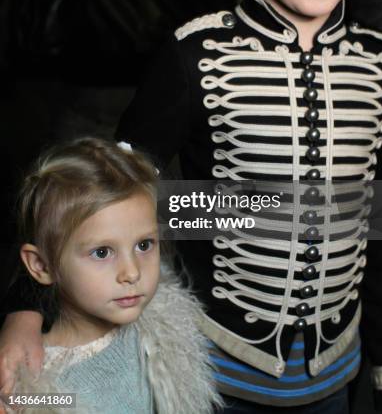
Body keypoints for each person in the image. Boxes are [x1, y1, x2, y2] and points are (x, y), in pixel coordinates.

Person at [1, 0, 382, 414]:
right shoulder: (195, 55)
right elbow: (108, 202)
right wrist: (28, 306)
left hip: (336, 376)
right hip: (216, 375)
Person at [0, 138, 220, 413]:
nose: (132, 272)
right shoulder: (40, 381)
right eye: (102, 252)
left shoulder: (162, 330)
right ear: (41, 266)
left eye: (144, 245)